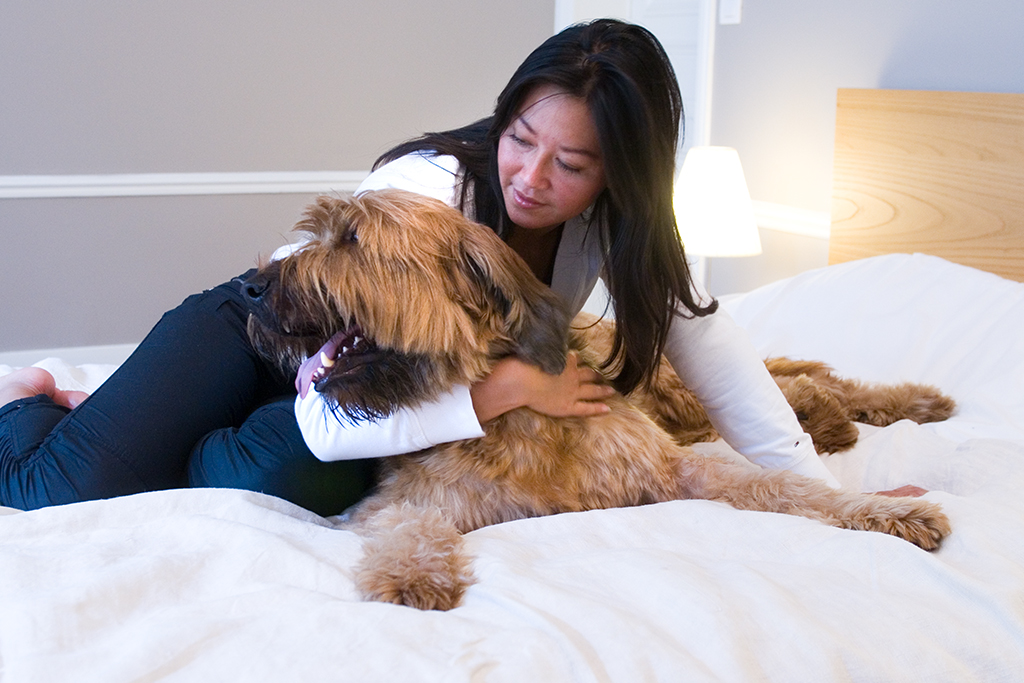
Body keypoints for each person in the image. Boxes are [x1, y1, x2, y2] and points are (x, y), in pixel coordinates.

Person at [0, 19, 839, 517]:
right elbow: (332, 416)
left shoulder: (619, 234)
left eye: (572, 165)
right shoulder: (430, 192)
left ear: (621, 173)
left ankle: (118, 413)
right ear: (504, 118)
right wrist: (506, 390)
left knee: (266, 479)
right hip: (258, 332)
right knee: (54, 489)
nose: (530, 178)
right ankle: (30, 399)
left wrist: (819, 487)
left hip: (364, 380)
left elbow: (705, 341)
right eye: (520, 138)